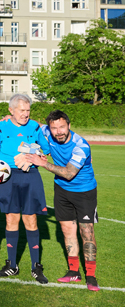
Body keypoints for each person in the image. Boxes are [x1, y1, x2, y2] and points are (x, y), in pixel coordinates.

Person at [25, 110, 100, 291]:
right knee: (67, 231)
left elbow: (68, 173)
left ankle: (91, 275)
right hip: (62, 191)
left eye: (62, 127)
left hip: (84, 192)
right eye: (54, 128)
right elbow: (33, 123)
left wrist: (42, 162)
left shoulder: (80, 146)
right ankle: (73, 271)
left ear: (69, 126)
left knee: (86, 233)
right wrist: (9, 118)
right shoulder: (46, 132)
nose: (58, 132)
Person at [0, 93, 50, 284]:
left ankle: (36, 266)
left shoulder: (35, 126)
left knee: (31, 219)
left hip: (31, 176)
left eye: (28, 110)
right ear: (11, 110)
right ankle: (12, 264)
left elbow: (46, 151)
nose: (26, 114)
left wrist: (39, 156)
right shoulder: (1, 127)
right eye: (22, 110)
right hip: (8, 176)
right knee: (11, 219)